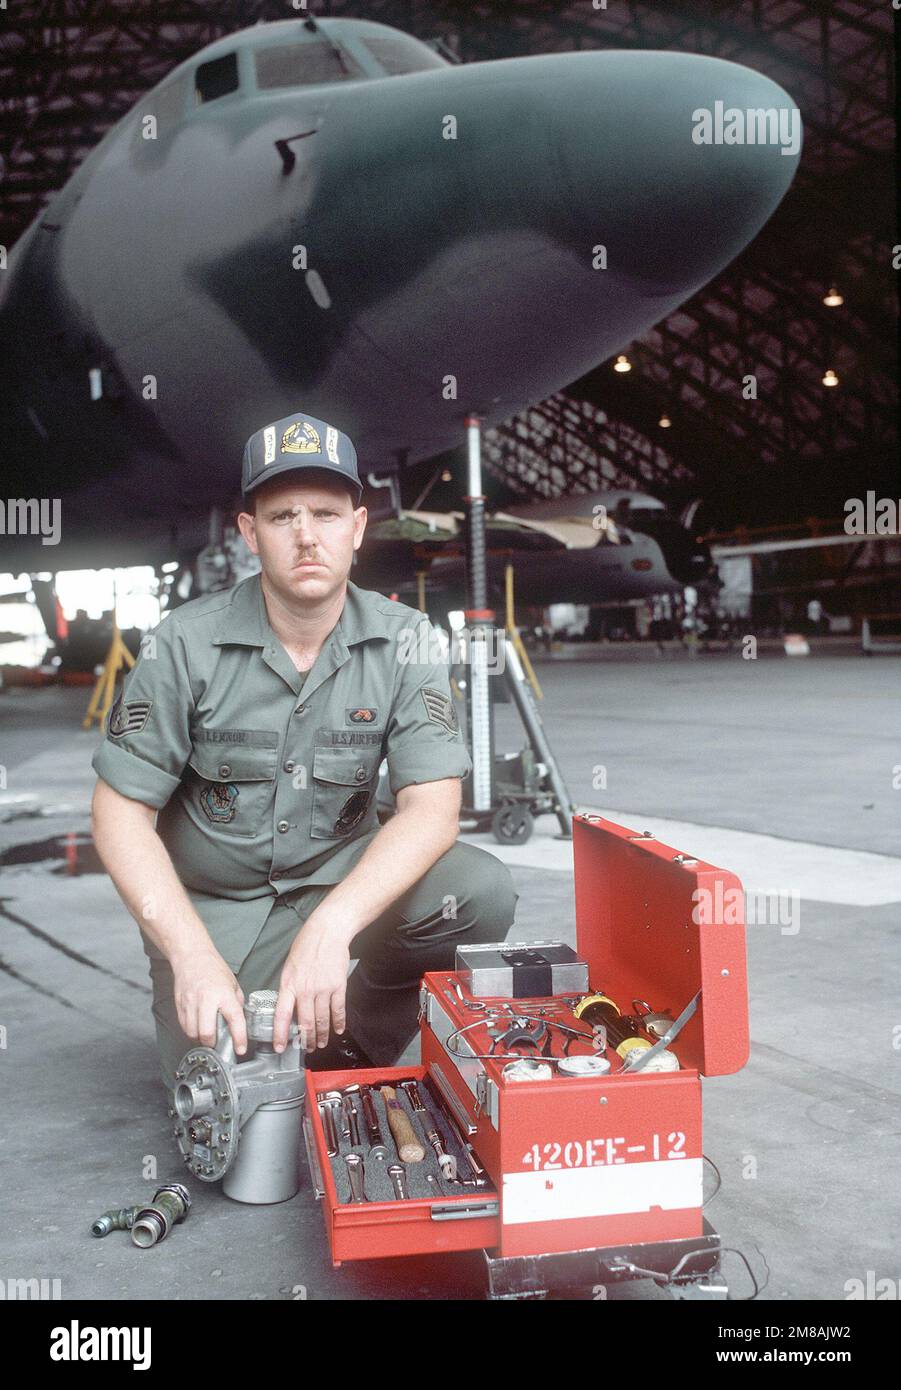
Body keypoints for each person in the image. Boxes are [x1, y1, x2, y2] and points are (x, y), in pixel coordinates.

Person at [90, 412, 517, 1089]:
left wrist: (333, 925)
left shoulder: (405, 639)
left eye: (325, 513)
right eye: (283, 516)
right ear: (249, 533)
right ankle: (242, 1005)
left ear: (356, 526)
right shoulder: (183, 643)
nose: (306, 536)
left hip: (337, 875)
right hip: (218, 907)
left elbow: (431, 810)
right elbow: (118, 817)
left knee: (477, 891)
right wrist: (191, 954)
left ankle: (352, 1043)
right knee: (219, 1112)